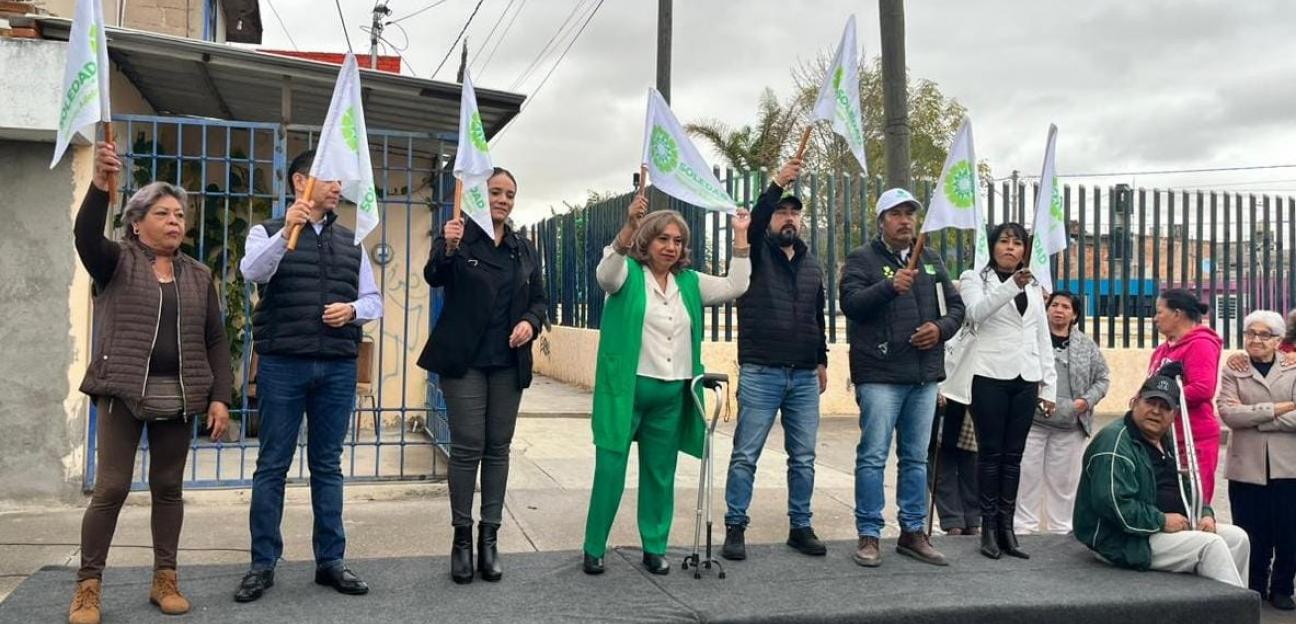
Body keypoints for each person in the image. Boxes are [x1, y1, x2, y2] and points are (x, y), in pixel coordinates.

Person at [69, 142, 233, 624]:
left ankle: (165, 577)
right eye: (162, 213)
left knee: (168, 488)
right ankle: (88, 586)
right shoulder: (115, 261)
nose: (175, 221)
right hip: (123, 392)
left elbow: (217, 341)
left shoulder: (199, 276)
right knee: (112, 488)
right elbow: (84, 236)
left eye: (180, 214)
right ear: (137, 222)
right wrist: (100, 186)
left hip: (180, 395)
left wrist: (220, 397)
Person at [233, 150, 383, 603]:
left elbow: (374, 301)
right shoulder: (267, 230)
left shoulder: (350, 242)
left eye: (341, 181)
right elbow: (252, 271)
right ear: (302, 181)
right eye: (330, 179)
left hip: (337, 366)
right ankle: (263, 564)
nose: (339, 187)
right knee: (273, 464)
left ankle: (330, 562)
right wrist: (286, 232)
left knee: (327, 465)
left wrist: (353, 310)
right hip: (283, 363)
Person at [582, 197, 751, 575]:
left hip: (672, 394)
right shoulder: (626, 273)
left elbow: (736, 284)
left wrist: (740, 237)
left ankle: (654, 546)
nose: (671, 247)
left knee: (661, 472)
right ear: (646, 241)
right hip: (626, 391)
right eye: (663, 239)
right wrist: (626, 228)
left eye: (677, 240)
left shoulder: (689, 283)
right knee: (610, 467)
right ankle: (594, 547)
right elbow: (604, 276)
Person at [417, 168, 547, 584]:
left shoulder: (522, 247)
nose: (503, 200)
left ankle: (490, 538)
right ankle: (461, 538)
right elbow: (434, 275)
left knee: (498, 448)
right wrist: (448, 247)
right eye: (495, 192)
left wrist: (530, 322)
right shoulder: (458, 237)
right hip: (465, 362)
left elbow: (540, 300)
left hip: (508, 363)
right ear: (479, 195)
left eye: (510, 193)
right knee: (468, 446)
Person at [838, 188, 965, 568]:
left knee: (915, 458)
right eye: (896, 213)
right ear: (881, 221)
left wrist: (940, 329)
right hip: (879, 375)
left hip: (924, 377)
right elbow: (851, 304)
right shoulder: (862, 259)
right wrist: (889, 286)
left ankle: (912, 532)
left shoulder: (930, 258)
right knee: (873, 455)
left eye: (910, 213)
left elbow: (956, 308)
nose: (905, 220)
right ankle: (869, 533)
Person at [720, 158, 829, 561]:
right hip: (761, 371)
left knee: (803, 457)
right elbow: (754, 217)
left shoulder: (812, 262)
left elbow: (818, 314)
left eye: (794, 213)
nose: (787, 218)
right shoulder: (755, 257)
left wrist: (822, 361)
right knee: (746, 454)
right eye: (782, 211)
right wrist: (776, 183)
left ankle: (800, 525)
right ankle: (735, 526)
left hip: (803, 375)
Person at [1075, 375, 1250, 588]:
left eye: (1164, 407)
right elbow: (1114, 507)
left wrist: (1205, 514)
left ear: (1174, 414)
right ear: (1134, 402)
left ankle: (1237, 604)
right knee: (1211, 546)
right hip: (1121, 539)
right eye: (1150, 402)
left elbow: (1188, 486)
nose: (1156, 411)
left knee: (1238, 538)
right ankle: (1228, 611)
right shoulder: (1114, 443)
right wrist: (1160, 520)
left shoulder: (1164, 438)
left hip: (1161, 528)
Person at [957, 222, 1056, 560]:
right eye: (1004, 241)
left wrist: (1049, 386)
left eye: (1017, 243)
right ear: (992, 246)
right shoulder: (974, 278)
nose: (1011, 248)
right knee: (990, 454)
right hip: (988, 375)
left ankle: (1007, 528)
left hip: (1025, 377)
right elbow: (975, 314)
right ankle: (987, 528)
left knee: (1014, 457)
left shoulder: (1033, 284)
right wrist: (1013, 284)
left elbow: (1041, 337)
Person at [1217, 310, 1296, 610]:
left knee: (1289, 532)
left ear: (1278, 341)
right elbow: (1228, 414)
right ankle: (1254, 586)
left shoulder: (1293, 368)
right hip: (1246, 467)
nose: (1256, 340)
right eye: (1251, 334)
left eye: (1264, 335)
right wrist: (1280, 408)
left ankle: (1283, 586)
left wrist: (1258, 418)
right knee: (1251, 532)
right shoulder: (1234, 368)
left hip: (1288, 466)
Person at [1015, 290, 1109, 535]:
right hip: (1032, 422)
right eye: (1054, 305)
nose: (1059, 310)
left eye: (1066, 307)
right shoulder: (1031, 339)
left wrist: (1084, 402)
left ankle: (1061, 528)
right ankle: (1024, 527)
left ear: (1075, 314)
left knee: (1064, 482)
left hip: (1070, 425)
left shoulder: (1086, 346)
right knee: (1027, 476)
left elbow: (1102, 379)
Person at [1146, 288, 1222, 504]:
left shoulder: (1201, 344)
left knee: (1191, 499)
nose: (1155, 319)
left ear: (1177, 314)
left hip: (1192, 437)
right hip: (1165, 437)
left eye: (1159, 312)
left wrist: (1159, 400)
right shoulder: (1161, 351)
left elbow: (1202, 388)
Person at [930, 397, 980, 536]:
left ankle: (957, 521)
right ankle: (967, 521)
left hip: (961, 393)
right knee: (945, 457)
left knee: (945, 461)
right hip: (963, 393)